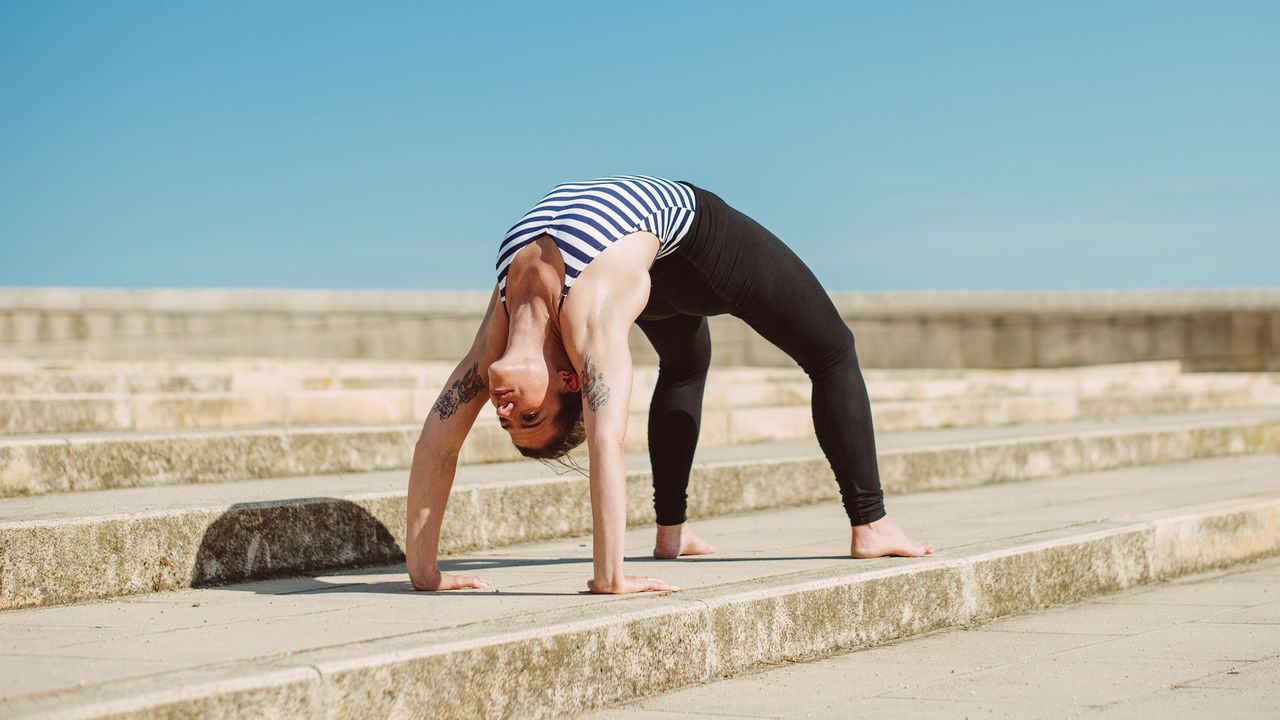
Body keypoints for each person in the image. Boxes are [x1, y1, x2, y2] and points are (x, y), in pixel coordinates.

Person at [406, 175, 932, 595]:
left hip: (699, 244)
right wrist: (425, 574)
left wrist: (606, 577)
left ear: (571, 380)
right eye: (528, 419)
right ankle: (681, 531)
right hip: (645, 257)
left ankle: (867, 523)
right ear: (572, 382)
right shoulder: (590, 325)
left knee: (821, 349)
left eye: (514, 422)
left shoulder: (510, 328)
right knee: (752, 357)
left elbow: (437, 442)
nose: (503, 412)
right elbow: (596, 436)